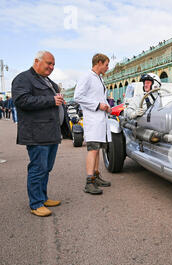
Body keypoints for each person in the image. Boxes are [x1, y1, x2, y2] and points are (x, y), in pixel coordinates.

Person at [11, 51, 65, 217]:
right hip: (36, 134)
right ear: (36, 61)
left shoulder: (50, 82)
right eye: (48, 63)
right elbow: (21, 100)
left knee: (46, 168)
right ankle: (35, 203)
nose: (51, 67)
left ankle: (42, 197)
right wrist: (51, 100)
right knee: (38, 168)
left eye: (53, 64)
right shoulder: (23, 79)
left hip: (51, 132)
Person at [74, 53, 112, 195]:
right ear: (99, 63)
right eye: (106, 64)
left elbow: (101, 97)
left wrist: (107, 106)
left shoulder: (99, 78)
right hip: (93, 119)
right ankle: (89, 182)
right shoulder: (87, 76)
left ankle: (96, 176)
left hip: (100, 120)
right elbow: (78, 96)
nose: (108, 67)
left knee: (98, 149)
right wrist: (97, 105)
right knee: (93, 150)